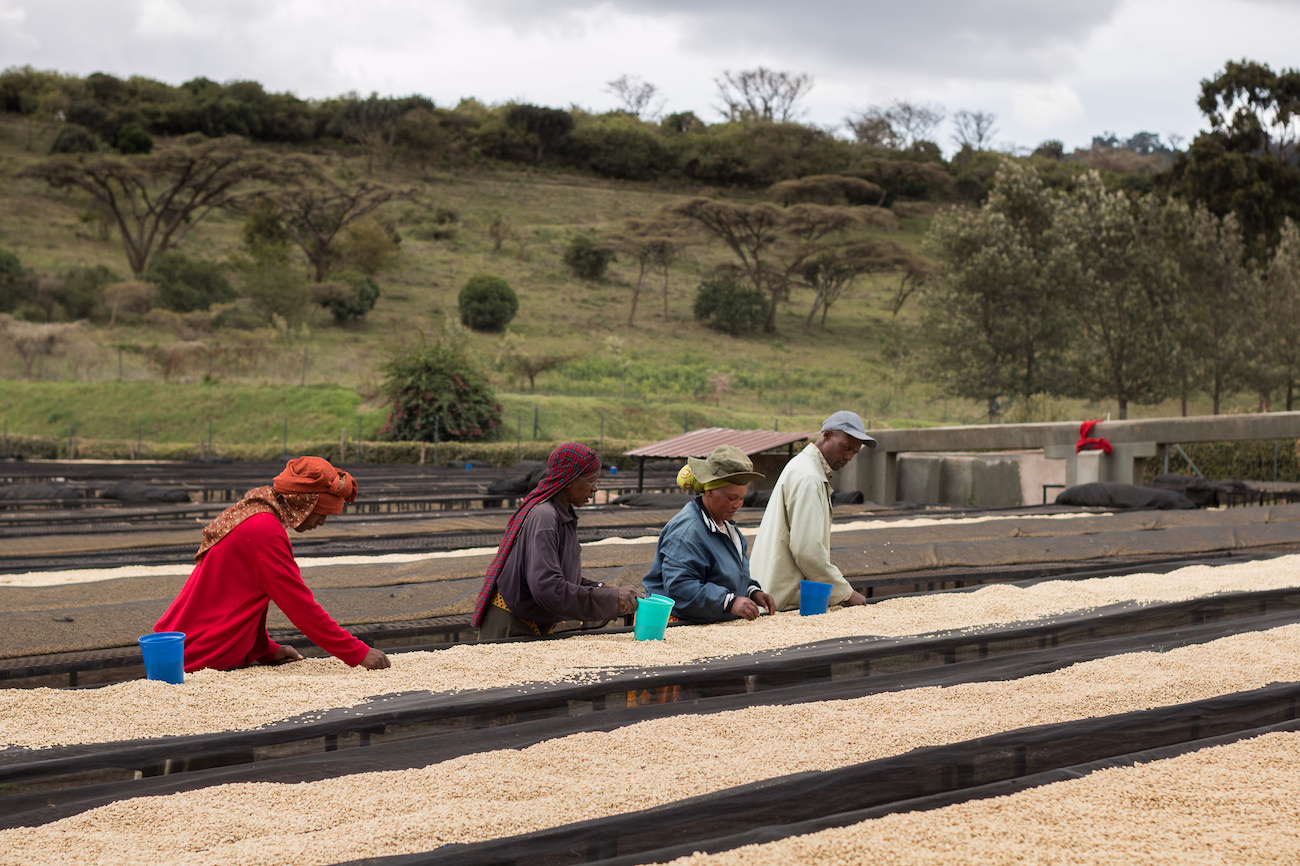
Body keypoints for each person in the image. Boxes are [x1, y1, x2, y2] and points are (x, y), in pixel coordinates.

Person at [155, 456, 390, 672]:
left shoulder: (254, 514)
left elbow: (243, 596)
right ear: (304, 504)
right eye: (321, 513)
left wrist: (266, 650)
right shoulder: (265, 532)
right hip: (200, 657)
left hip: (177, 648)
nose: (321, 523)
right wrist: (358, 652)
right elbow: (299, 606)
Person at [473, 442, 643, 639]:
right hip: (511, 625)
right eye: (590, 481)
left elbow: (565, 578)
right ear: (569, 480)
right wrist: (611, 598)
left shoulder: (563, 515)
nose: (595, 489)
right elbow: (547, 587)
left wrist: (606, 591)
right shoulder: (545, 516)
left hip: (529, 620)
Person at [751, 410, 877, 611]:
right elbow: (807, 549)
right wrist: (845, 592)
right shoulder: (809, 478)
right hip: (781, 599)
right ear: (827, 435)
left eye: (854, 452)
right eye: (845, 448)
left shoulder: (805, 468)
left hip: (772, 593)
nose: (848, 457)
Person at [642, 445, 776, 623]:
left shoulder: (727, 526)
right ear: (709, 491)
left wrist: (752, 591)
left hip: (712, 621)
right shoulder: (687, 532)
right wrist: (728, 602)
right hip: (679, 626)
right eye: (731, 498)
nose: (737, 505)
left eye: (741, 498)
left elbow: (731, 573)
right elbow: (680, 587)